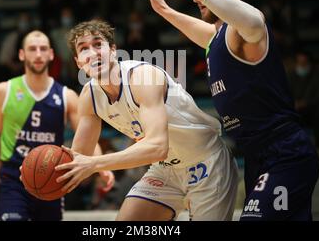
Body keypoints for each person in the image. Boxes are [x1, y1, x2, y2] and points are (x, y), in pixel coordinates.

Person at [139, 0, 319, 220]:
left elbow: (254, 21)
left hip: (285, 152)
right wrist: (163, 9)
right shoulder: (216, 36)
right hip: (255, 156)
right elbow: (202, 31)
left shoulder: (245, 30)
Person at [56, 20, 238, 221]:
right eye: (84, 49)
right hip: (165, 169)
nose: (93, 52)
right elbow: (78, 157)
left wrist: (95, 164)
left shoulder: (143, 77)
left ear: (113, 51)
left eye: (98, 44)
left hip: (206, 161)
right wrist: (40, 172)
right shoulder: (89, 96)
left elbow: (157, 147)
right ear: (78, 62)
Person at [0, 30, 114, 221]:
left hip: (52, 178)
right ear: (22, 54)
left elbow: (88, 135)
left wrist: (100, 168)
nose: (38, 54)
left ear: (51, 54)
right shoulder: (3, 90)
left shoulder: (67, 96)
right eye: (32, 49)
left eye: (43, 49)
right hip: (14, 180)